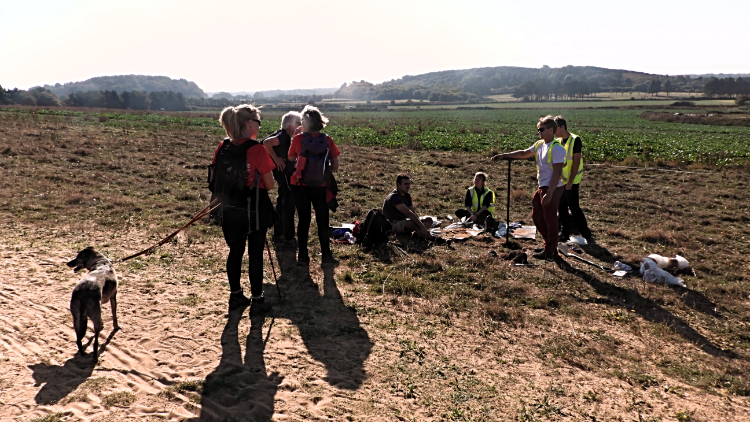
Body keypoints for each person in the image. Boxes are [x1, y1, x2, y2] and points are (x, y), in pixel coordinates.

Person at [212, 104, 276, 311]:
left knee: (235, 251)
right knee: (255, 254)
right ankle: (257, 300)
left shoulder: (222, 147)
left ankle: (236, 296)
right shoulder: (257, 149)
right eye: (258, 121)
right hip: (253, 210)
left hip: (228, 208)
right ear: (249, 124)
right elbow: (270, 184)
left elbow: (213, 179)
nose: (259, 125)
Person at [491, 115, 565, 260]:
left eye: (542, 129)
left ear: (551, 130)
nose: (539, 132)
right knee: (536, 216)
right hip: (542, 185)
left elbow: (557, 172)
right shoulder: (539, 144)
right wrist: (504, 156)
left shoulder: (557, 148)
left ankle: (550, 249)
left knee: (550, 219)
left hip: (552, 187)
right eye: (538, 129)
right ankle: (549, 244)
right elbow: (524, 153)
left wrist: (549, 193)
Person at [288, 105, 340, 266]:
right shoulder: (327, 139)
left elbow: (290, 158)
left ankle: (303, 256)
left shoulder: (298, 139)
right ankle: (326, 256)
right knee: (322, 221)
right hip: (321, 186)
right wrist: (323, 172)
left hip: (300, 185)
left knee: (304, 220)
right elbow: (336, 166)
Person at [262, 111, 302, 243]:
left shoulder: (284, 135)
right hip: (284, 174)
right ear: (290, 125)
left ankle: (278, 231)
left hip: (282, 173)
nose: (300, 125)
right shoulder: (283, 135)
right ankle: (288, 235)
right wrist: (277, 159)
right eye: (298, 123)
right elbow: (266, 143)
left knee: (282, 200)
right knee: (289, 203)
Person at [554, 115, 594, 244]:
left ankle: (587, 236)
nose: (554, 131)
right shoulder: (558, 141)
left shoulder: (575, 140)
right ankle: (564, 233)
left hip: (572, 181)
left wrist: (570, 181)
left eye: (555, 128)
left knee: (574, 208)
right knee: (561, 208)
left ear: (563, 127)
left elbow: (576, 162)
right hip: (561, 181)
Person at [382, 174, 435, 239]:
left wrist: (421, 224)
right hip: (392, 224)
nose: (408, 186)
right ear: (398, 185)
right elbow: (408, 213)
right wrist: (422, 227)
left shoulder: (407, 196)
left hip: (403, 221)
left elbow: (412, 212)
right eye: (405, 184)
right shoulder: (394, 197)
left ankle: (419, 233)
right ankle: (429, 237)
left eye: (409, 184)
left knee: (428, 220)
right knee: (411, 224)